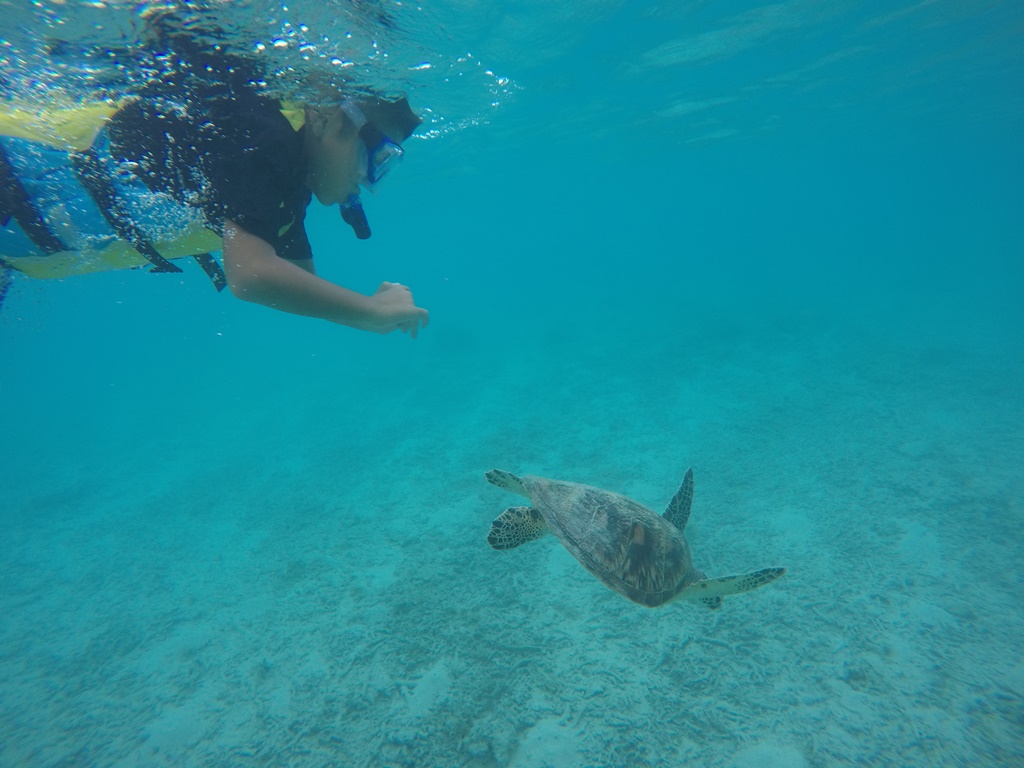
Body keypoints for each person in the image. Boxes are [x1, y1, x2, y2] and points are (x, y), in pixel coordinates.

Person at [0, 23, 429, 337]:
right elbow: (253, 276)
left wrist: (367, 316)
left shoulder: (287, 185)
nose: (366, 180)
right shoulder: (262, 141)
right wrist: (372, 311)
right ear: (325, 121)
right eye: (377, 159)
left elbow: (298, 281)